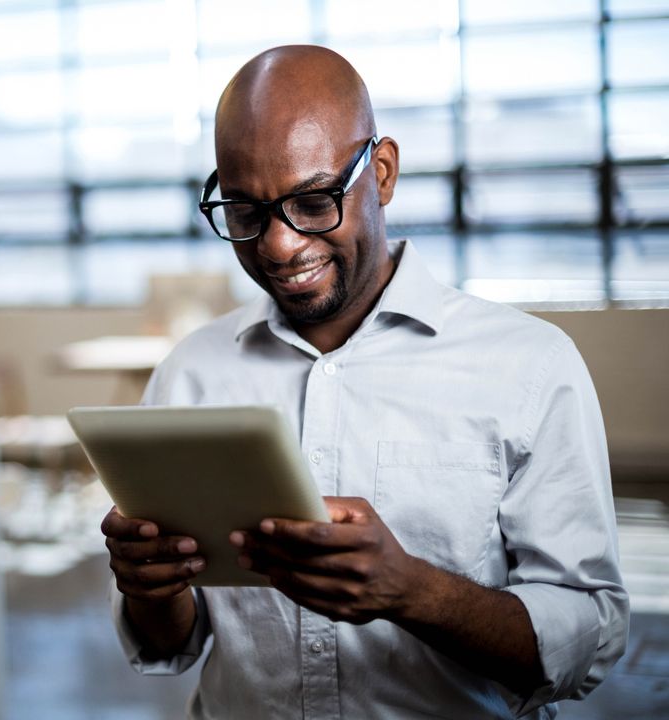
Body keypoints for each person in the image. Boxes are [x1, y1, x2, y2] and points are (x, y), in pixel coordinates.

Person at [100, 45, 628, 719]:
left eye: (315, 201)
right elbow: (175, 641)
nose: (279, 246)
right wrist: (152, 589)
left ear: (381, 173)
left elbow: (588, 639)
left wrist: (413, 591)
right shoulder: (190, 375)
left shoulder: (528, 367)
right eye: (244, 210)